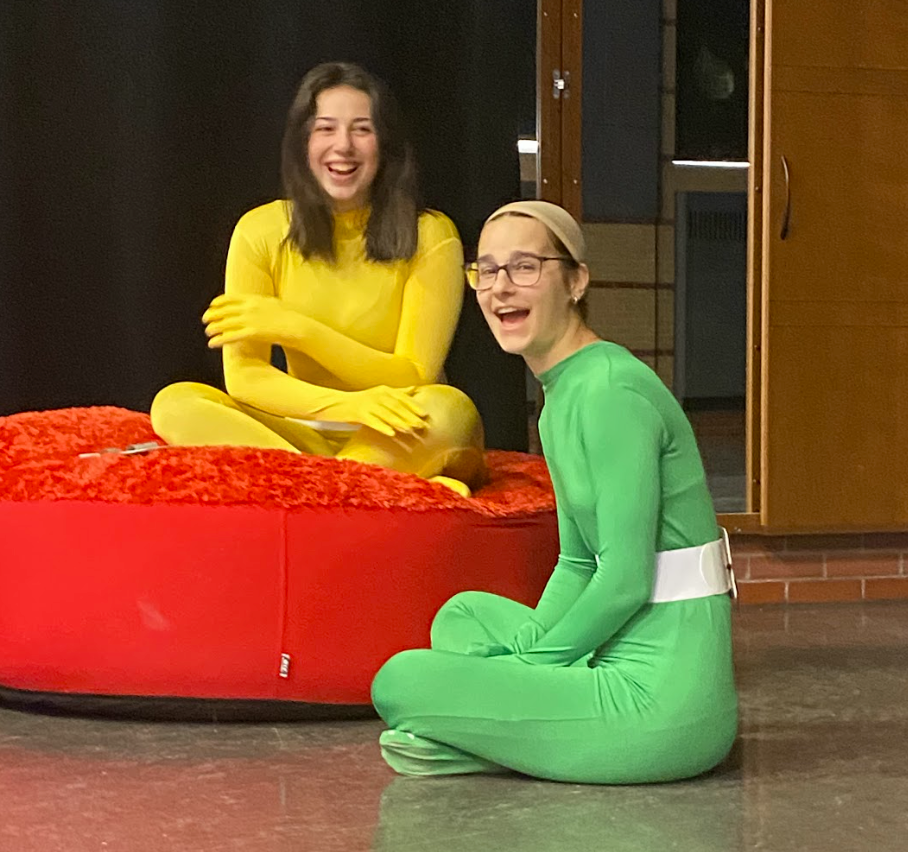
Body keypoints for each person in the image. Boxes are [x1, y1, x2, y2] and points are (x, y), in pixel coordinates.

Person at [371, 200, 738, 784]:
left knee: (398, 681)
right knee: (460, 616)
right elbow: (574, 562)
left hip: (661, 700)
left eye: (524, 267)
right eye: (486, 271)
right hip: (605, 652)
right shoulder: (561, 398)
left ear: (576, 281)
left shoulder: (610, 392)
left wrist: (531, 668)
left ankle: (491, 733)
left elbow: (623, 580)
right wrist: (532, 667)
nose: (500, 289)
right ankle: (511, 731)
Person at [151, 63, 484, 496]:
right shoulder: (260, 230)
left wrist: (298, 328)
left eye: (361, 129)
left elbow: (413, 374)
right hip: (296, 437)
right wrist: (351, 406)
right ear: (303, 142)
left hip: (402, 430)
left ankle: (310, 491)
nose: (342, 146)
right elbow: (245, 377)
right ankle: (346, 489)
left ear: (385, 144)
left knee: (447, 408)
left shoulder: (432, 234)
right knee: (175, 403)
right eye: (325, 129)